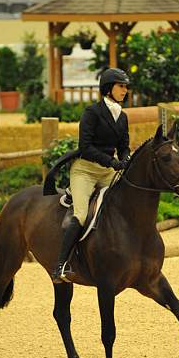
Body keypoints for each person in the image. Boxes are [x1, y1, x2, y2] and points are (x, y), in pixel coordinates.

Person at [52, 67, 131, 283]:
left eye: (126, 87)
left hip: (108, 172)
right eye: (120, 86)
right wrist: (113, 161)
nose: (124, 90)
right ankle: (60, 265)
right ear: (108, 89)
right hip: (85, 170)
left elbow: (124, 145)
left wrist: (126, 158)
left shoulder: (122, 117)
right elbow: (85, 147)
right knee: (81, 214)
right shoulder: (92, 113)